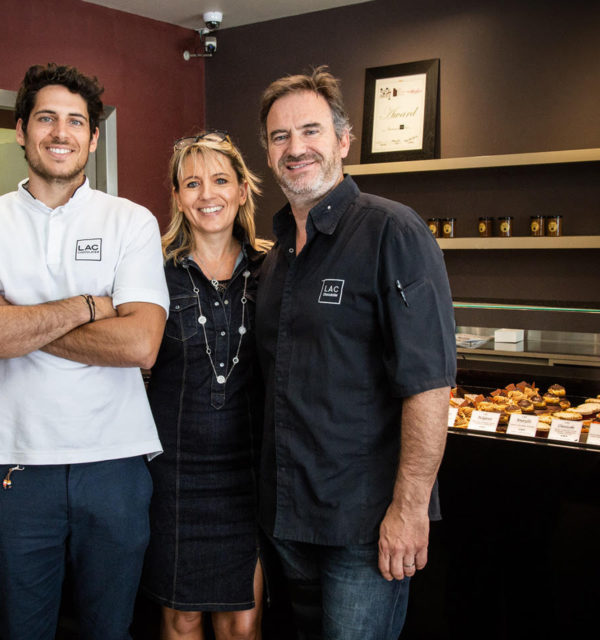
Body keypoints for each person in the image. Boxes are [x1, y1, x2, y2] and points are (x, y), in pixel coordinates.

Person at [0, 63, 169, 640]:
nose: (60, 133)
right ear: (21, 130)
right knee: (20, 630)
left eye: (75, 121)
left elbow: (141, 344)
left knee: (111, 630)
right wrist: (90, 306)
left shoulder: (131, 221)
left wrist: (10, 317)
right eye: (46, 118)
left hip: (115, 466)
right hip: (17, 470)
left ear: (93, 137)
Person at [253, 66, 457, 639]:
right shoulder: (275, 259)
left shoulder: (393, 231)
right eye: (279, 137)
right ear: (267, 154)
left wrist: (410, 509)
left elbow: (429, 383)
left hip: (364, 527)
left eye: (311, 131)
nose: (296, 149)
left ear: (343, 141)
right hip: (287, 522)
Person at [140, 131, 271, 640]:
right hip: (173, 473)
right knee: (182, 618)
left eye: (220, 180)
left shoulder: (273, 268)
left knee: (244, 621)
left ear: (242, 190)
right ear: (176, 196)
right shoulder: (152, 270)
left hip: (249, 473)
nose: (206, 194)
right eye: (191, 183)